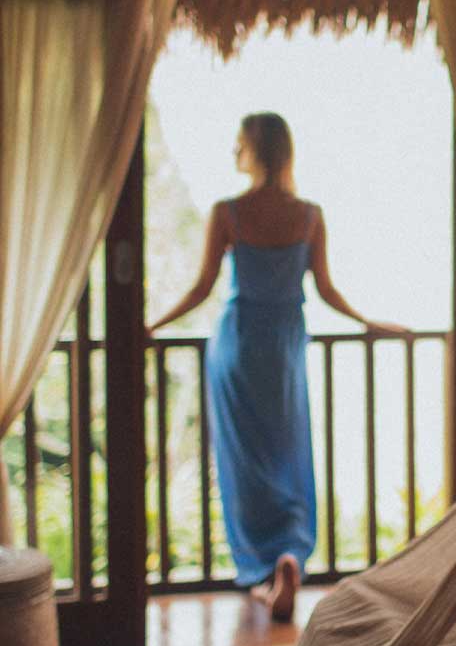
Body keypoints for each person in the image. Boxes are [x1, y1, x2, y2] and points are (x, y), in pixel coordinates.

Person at [146, 112, 405, 620]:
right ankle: (289, 556)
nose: (233, 152)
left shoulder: (229, 212)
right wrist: (370, 323)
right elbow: (326, 291)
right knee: (288, 455)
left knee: (245, 463)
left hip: (238, 344)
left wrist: (152, 326)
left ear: (256, 150)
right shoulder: (308, 215)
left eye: (239, 143)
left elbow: (201, 289)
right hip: (284, 347)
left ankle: (264, 571)